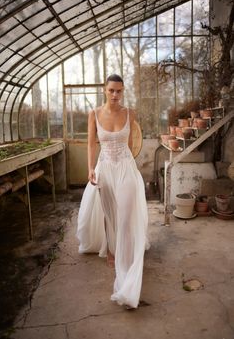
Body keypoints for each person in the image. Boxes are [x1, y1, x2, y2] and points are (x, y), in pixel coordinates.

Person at [76, 74, 149, 309]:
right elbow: (91, 143)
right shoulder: (94, 114)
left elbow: (130, 145)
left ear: (123, 91)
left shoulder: (130, 113)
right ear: (104, 90)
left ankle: (125, 270)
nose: (115, 95)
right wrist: (90, 168)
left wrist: (133, 166)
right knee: (109, 214)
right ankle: (109, 249)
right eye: (111, 90)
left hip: (126, 168)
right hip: (105, 168)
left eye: (119, 91)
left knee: (126, 218)